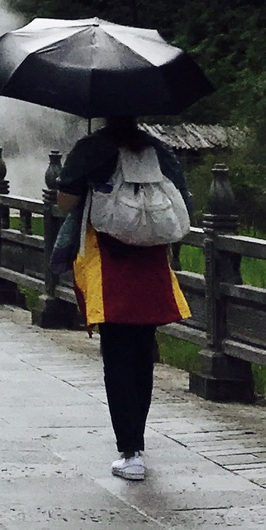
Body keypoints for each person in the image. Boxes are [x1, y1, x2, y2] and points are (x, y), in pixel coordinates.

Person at [54, 115, 191, 482]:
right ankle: (138, 442)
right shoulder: (157, 150)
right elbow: (181, 196)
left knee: (116, 355)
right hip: (151, 262)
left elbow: (65, 203)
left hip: (110, 262)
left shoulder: (92, 148)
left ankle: (129, 451)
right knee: (143, 352)